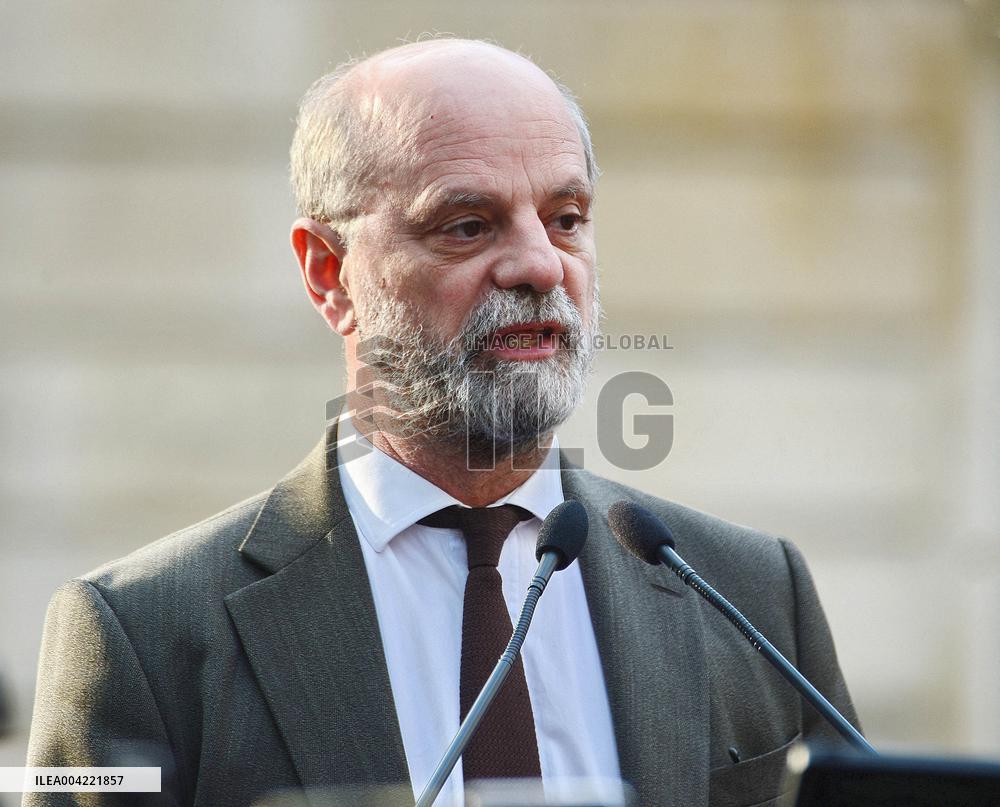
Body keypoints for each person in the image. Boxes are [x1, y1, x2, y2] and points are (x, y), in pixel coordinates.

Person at [25, 38, 859, 807]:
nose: (540, 264)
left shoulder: (751, 594)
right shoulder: (141, 634)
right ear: (329, 274)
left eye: (566, 218)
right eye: (468, 225)